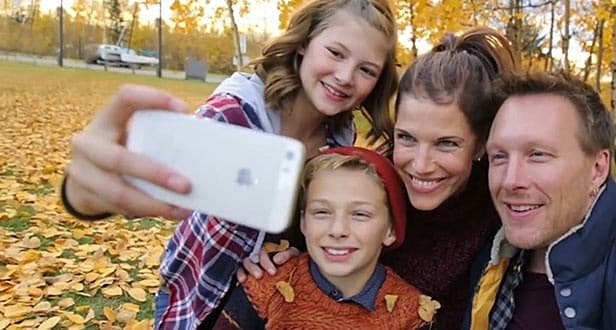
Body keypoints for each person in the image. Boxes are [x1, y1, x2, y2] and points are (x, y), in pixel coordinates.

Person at [241, 28, 616, 329]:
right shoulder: (372, 189)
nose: (420, 163)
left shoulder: (504, 222)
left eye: (448, 144)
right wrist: (264, 253)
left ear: (479, 146)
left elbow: (573, 203)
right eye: (407, 138)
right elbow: (314, 228)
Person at [59, 0, 400, 328]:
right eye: (336, 53)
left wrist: (291, 248)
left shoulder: (341, 137)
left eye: (366, 69)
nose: (344, 76)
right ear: (304, 45)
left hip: (264, 302)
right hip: (198, 296)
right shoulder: (233, 115)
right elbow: (151, 182)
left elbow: (310, 216)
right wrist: (82, 195)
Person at [469, 72, 616, 329]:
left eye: (538, 154)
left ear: (597, 167)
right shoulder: (488, 260)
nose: (510, 180)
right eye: (499, 156)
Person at [218, 146, 438, 329]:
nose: (337, 230)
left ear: (390, 231)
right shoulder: (266, 288)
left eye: (360, 214)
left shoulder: (410, 314)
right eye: (322, 212)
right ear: (303, 222)